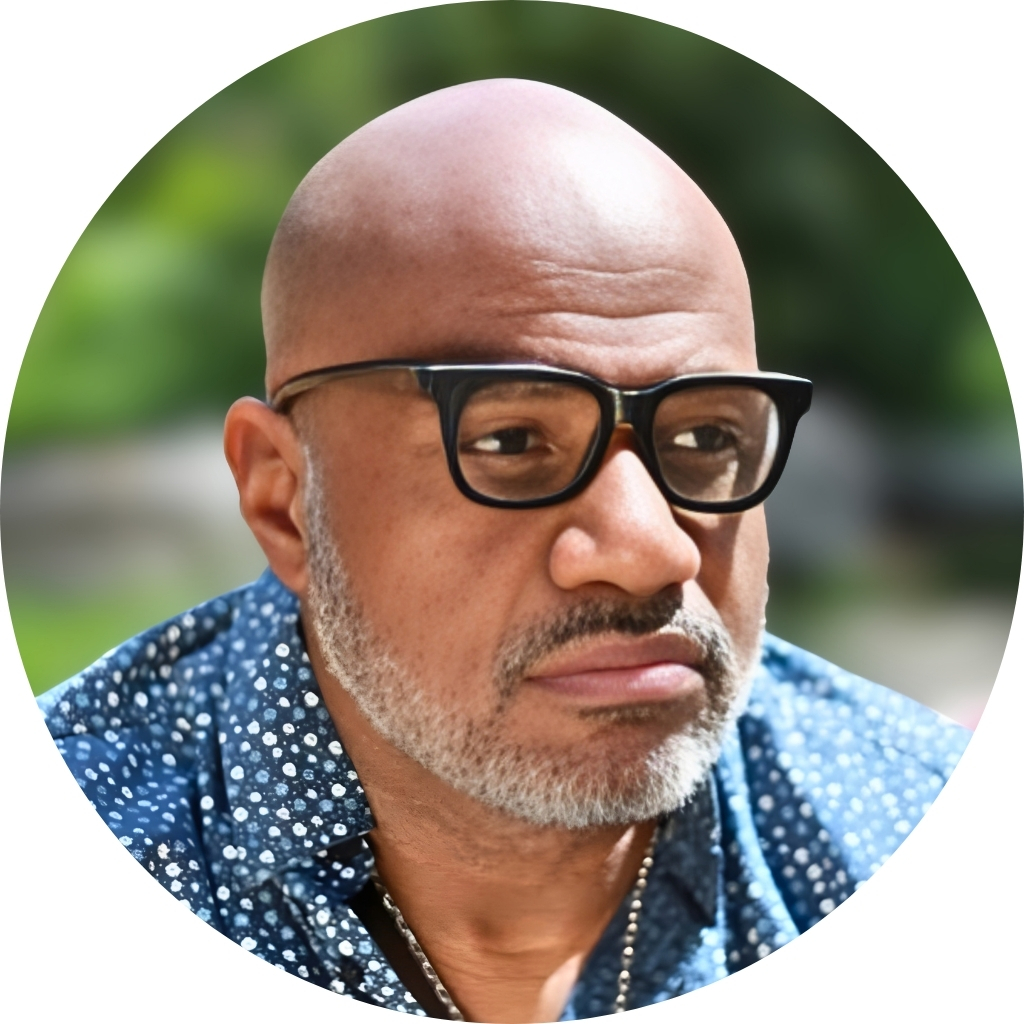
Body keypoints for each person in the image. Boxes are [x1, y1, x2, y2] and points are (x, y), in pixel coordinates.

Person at [40, 79, 969, 1022]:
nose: (650, 551)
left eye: (706, 437)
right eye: (512, 440)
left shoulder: (923, 842)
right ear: (285, 501)